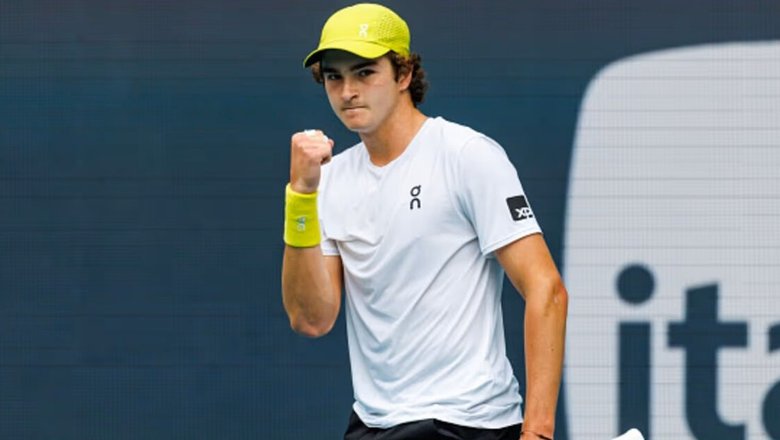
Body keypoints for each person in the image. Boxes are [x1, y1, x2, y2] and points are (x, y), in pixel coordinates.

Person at [281, 4, 568, 440]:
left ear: (404, 75)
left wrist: (538, 433)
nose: (348, 91)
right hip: (374, 424)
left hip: (466, 423)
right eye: (334, 77)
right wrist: (301, 197)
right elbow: (311, 319)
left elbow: (546, 289)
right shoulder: (330, 181)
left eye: (364, 73)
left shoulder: (466, 156)